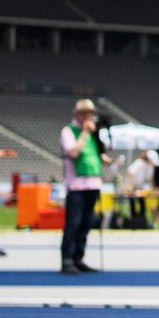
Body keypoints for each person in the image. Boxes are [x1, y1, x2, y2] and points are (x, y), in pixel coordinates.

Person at [58, 99, 103, 274]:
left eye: (90, 113)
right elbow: (74, 152)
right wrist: (84, 133)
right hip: (76, 185)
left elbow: (97, 154)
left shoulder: (93, 133)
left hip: (93, 183)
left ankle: (79, 257)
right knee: (73, 223)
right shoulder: (68, 131)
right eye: (85, 113)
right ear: (77, 114)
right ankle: (67, 259)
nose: (88, 117)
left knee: (87, 223)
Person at [124, 150, 154, 228]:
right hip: (133, 187)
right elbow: (130, 173)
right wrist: (131, 187)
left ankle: (141, 221)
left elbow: (149, 179)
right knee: (133, 204)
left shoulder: (148, 166)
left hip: (139, 187)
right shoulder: (139, 162)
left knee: (142, 203)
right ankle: (134, 223)